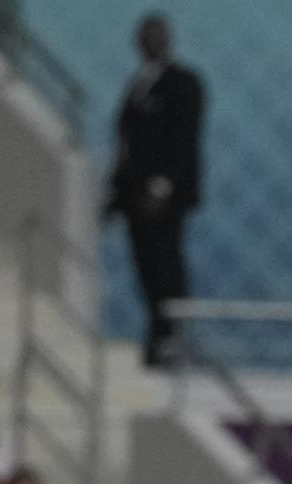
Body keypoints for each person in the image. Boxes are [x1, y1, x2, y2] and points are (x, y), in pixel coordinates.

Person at [110, 13, 205, 368]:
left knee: (166, 264)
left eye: (156, 35)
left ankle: (172, 336)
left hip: (164, 200)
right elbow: (126, 143)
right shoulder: (137, 84)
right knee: (145, 266)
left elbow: (182, 140)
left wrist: (161, 187)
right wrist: (116, 192)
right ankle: (156, 333)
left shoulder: (185, 83)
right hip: (134, 199)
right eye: (144, 36)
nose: (149, 42)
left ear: (169, 39)